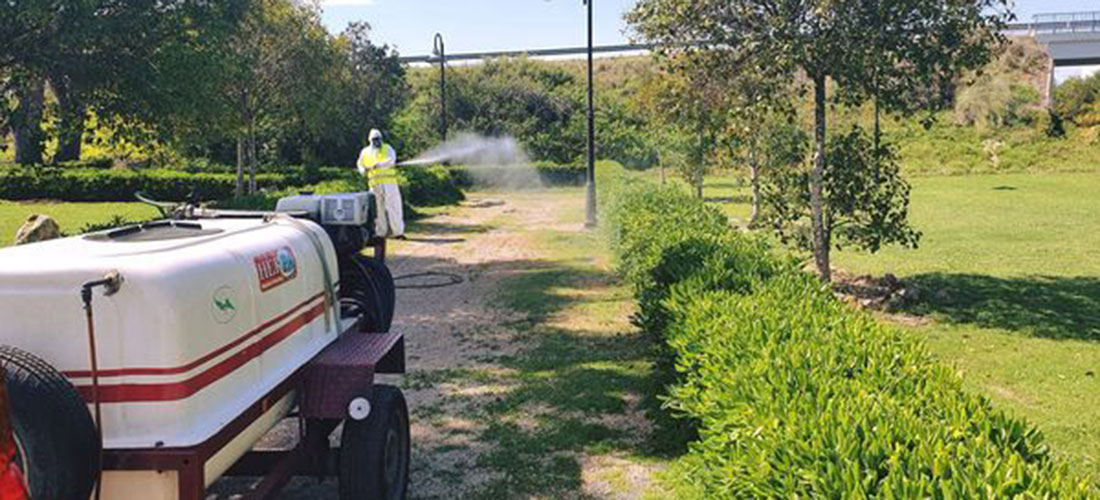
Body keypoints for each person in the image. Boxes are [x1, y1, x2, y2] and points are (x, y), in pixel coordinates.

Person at [357, 129, 405, 239]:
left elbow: (391, 160)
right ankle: (380, 233)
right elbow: (360, 163)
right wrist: (363, 170)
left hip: (389, 185)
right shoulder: (365, 152)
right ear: (370, 140)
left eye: (378, 139)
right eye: (374, 140)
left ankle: (398, 232)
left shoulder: (387, 148)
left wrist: (378, 164)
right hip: (374, 185)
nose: (377, 142)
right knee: (378, 209)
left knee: (394, 207)